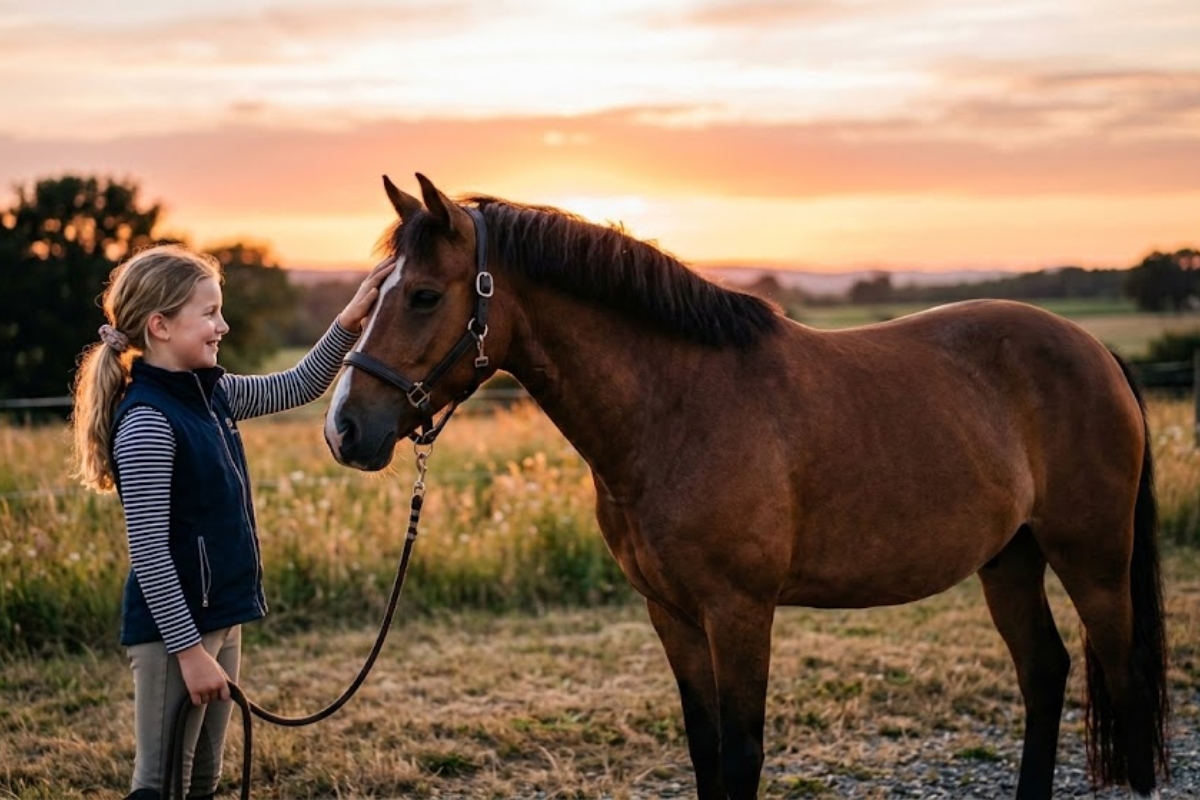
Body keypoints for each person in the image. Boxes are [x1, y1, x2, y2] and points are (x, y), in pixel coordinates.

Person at [70, 243, 394, 800]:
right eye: (209, 313)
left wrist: (350, 319)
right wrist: (190, 653)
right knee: (160, 784)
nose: (223, 325)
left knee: (203, 779)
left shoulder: (212, 393)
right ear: (160, 327)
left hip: (221, 617)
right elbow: (148, 555)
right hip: (175, 637)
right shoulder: (148, 422)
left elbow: (298, 384)